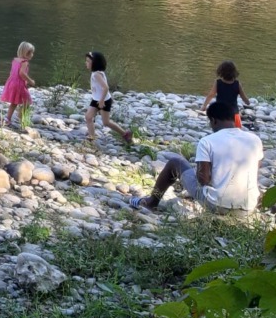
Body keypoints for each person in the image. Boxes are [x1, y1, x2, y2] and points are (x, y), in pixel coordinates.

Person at [131, 102, 263, 214]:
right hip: (248, 207)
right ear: (234, 119)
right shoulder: (254, 140)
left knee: (175, 162)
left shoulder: (207, 141)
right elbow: (254, 173)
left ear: (213, 120)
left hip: (218, 205)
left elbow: (203, 180)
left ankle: (150, 203)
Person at [85, 51, 133, 144]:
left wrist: (102, 101)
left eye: (88, 61)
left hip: (104, 101)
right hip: (96, 100)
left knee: (106, 122)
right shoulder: (97, 72)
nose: (86, 63)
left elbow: (106, 87)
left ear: (95, 63)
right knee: (88, 117)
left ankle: (125, 134)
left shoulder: (96, 74)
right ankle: (91, 137)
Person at [202, 60, 250, 129]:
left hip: (220, 112)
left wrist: (204, 106)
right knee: (238, 127)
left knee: (218, 126)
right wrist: (247, 102)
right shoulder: (237, 84)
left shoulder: (218, 82)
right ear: (234, 72)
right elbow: (243, 96)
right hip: (234, 112)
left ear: (221, 71)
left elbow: (211, 94)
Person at [0, 42, 36, 127]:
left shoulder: (15, 60)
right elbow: (21, 73)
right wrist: (30, 81)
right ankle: (22, 118)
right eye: (29, 53)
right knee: (27, 101)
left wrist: (24, 82)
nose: (31, 55)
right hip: (19, 85)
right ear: (24, 53)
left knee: (14, 102)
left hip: (12, 82)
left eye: (32, 52)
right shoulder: (24, 62)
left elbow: (14, 73)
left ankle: (7, 119)